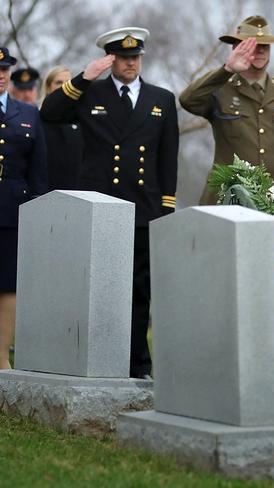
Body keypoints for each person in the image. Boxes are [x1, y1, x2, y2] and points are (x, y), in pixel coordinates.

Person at [40, 27, 179, 379]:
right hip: (100, 206)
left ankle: (138, 362)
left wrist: (166, 208)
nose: (130, 63)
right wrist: (84, 78)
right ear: (111, 59)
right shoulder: (90, 93)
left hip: (144, 209)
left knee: (139, 290)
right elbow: (50, 113)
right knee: (96, 286)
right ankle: (94, 355)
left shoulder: (161, 99)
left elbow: (168, 158)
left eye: (135, 57)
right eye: (122, 58)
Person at [179, 15, 274, 229]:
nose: (259, 51)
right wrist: (227, 70)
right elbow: (187, 100)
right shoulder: (220, 89)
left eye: (265, 46)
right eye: (252, 45)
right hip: (228, 201)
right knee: (225, 262)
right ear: (235, 49)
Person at [0, 47, 48, 369]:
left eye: (4, 69)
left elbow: (38, 167)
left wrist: (37, 209)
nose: (1, 75)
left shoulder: (28, 114)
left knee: (7, 286)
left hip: (12, 211)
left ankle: (1, 357)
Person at [40, 66, 83, 190]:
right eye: (59, 83)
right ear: (48, 87)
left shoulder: (80, 120)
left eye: (69, 83)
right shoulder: (36, 118)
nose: (65, 88)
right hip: (46, 188)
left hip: (76, 189)